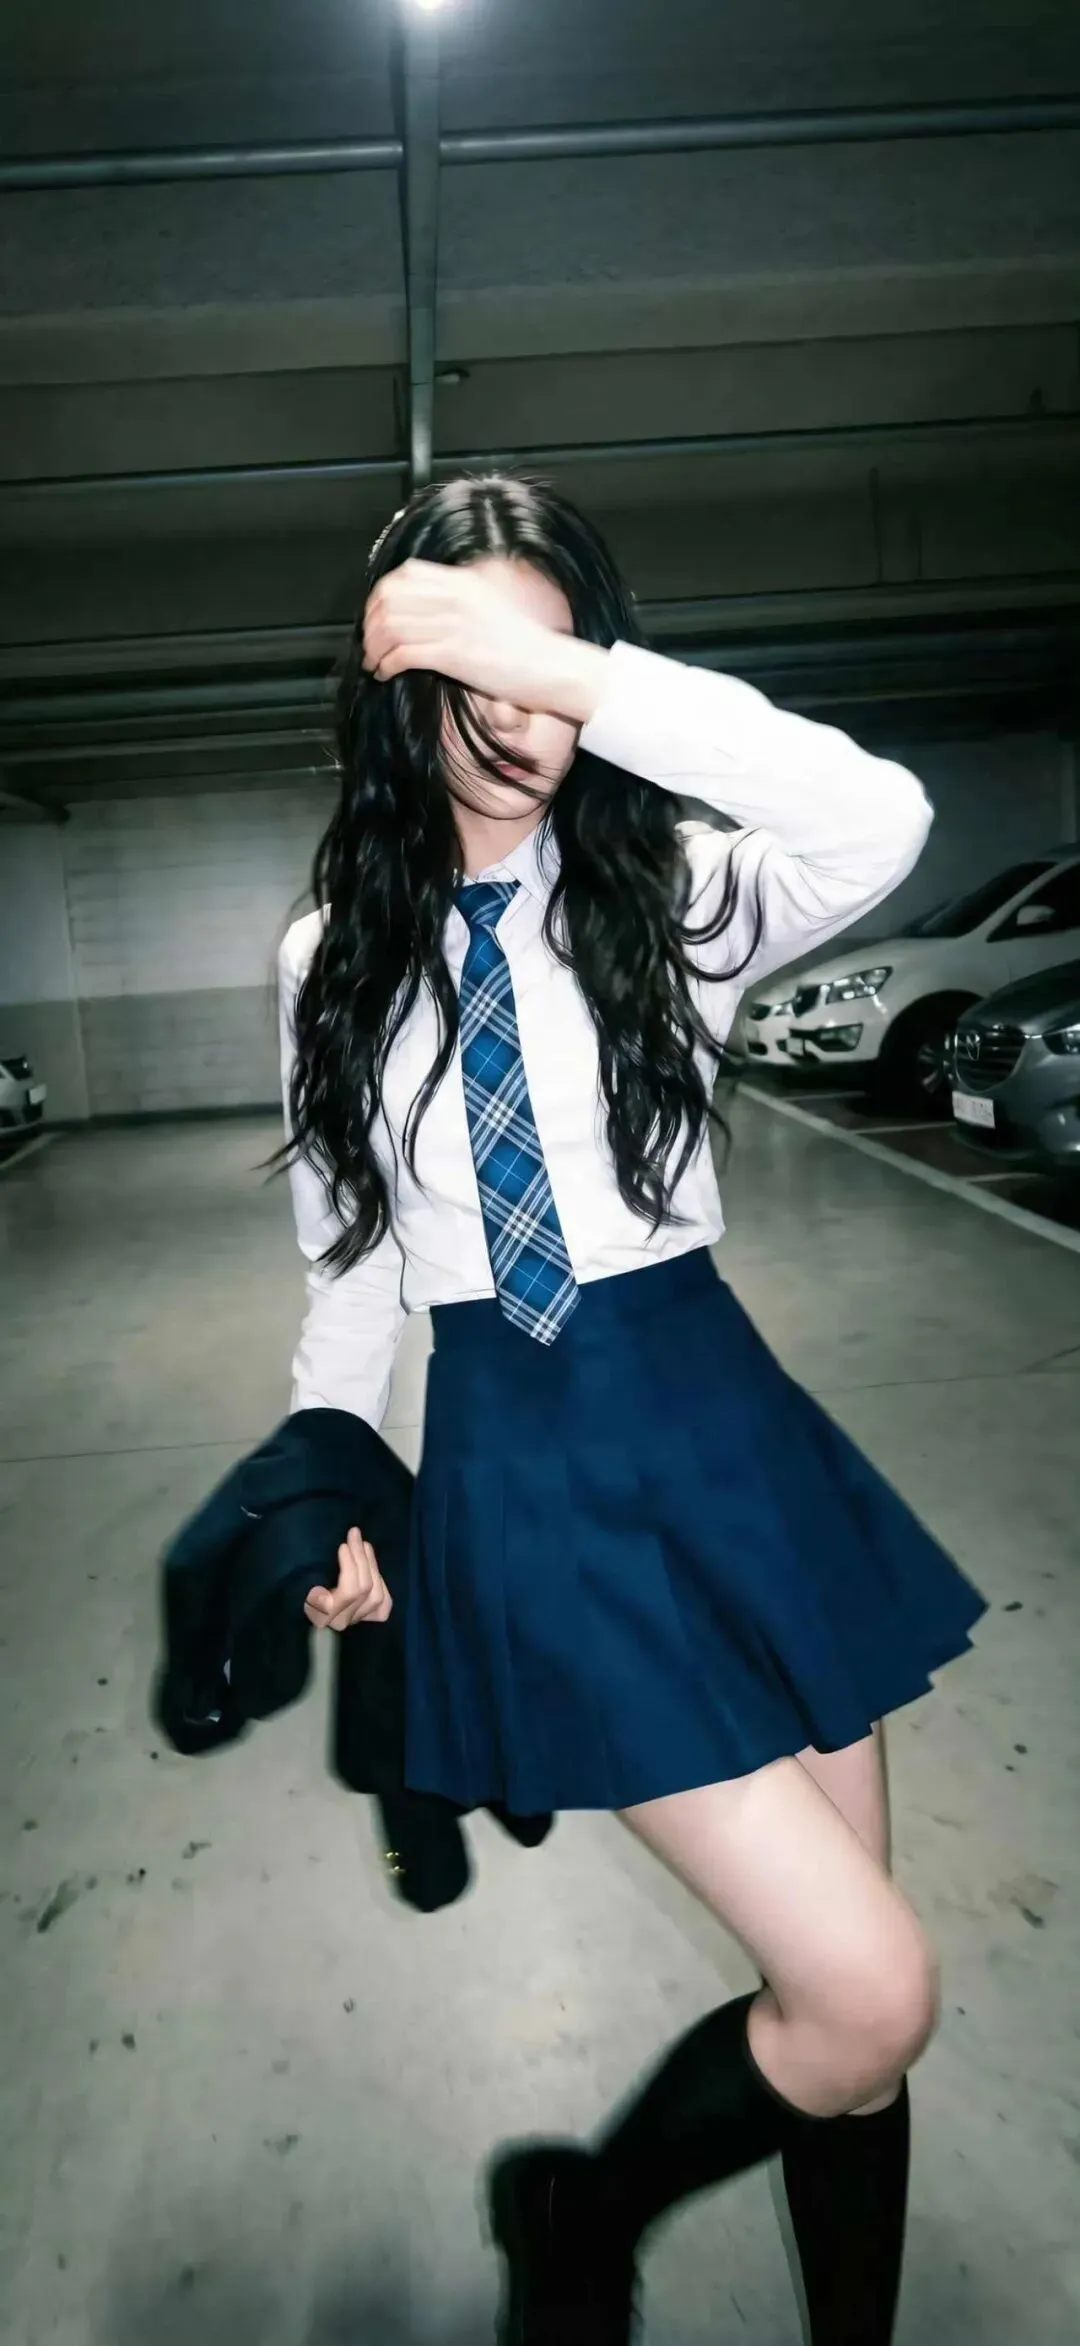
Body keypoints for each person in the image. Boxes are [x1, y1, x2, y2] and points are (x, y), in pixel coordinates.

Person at [277, 474, 985, 2346]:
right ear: (395, 683)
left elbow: (882, 814)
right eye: (472, 667)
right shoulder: (329, 956)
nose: (517, 714)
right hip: (530, 1472)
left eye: (549, 660)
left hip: (731, 1433)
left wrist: (576, 677)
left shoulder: (673, 887)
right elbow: (348, 1258)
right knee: (870, 1988)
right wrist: (329, 1473)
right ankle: (582, 2212)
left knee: (848, 2022)